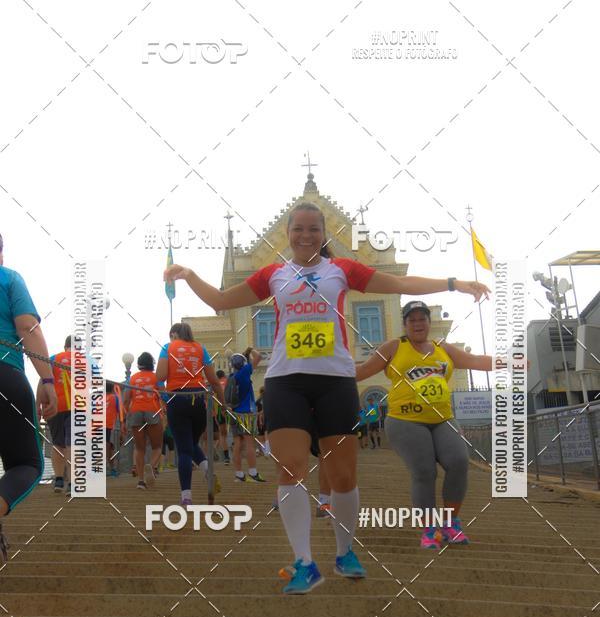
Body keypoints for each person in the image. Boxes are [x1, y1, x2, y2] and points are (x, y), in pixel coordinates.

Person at [165, 200, 490, 593]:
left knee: (342, 477)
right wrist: (188, 274)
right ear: (288, 233)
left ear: (324, 234)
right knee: (292, 468)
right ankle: (304, 561)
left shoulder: (342, 270)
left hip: (336, 379)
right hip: (286, 379)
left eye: (313, 229)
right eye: (298, 229)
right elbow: (220, 301)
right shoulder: (273, 274)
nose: (305, 235)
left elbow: (402, 285)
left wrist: (455, 284)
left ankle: (344, 551)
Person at [356, 300, 493, 549]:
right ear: (405, 324)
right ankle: (430, 530)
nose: (418, 324)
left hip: (442, 418)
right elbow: (363, 370)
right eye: (412, 320)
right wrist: (323, 372)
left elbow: (474, 361)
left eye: (422, 319)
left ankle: (450, 524)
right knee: (425, 472)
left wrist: (512, 363)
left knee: (459, 462)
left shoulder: (443, 348)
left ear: (429, 323)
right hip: (405, 420)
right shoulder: (394, 347)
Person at [0, 235, 57, 558]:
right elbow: (27, 327)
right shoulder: (9, 279)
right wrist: (47, 379)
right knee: (27, 464)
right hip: (6, 375)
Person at [155, 322, 224, 507]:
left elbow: (160, 377)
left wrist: (164, 397)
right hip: (199, 401)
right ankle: (207, 469)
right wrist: (223, 405)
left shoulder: (168, 348)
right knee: (190, 443)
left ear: (174, 335)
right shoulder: (200, 348)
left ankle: (187, 497)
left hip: (177, 400)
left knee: (184, 449)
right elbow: (214, 382)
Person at [226, 348, 266, 483]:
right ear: (243, 363)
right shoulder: (245, 372)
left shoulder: (232, 377)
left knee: (237, 442)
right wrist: (250, 350)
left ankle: (239, 475)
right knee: (249, 442)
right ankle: (253, 473)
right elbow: (259, 356)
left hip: (234, 412)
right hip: (247, 413)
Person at [123, 352, 163, 490]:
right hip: (152, 410)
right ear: (151, 363)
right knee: (157, 447)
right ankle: (150, 467)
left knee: (139, 448)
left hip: (136, 411)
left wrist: (125, 418)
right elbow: (164, 395)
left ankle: (140, 481)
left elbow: (127, 399)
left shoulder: (132, 379)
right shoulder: (157, 377)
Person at [48, 335, 73, 494]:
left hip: (56, 405)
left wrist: (39, 404)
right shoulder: (85, 359)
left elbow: (44, 381)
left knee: (58, 443)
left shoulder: (53, 358)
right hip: (77, 405)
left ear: (65, 346)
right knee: (73, 444)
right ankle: (72, 483)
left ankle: (58, 480)